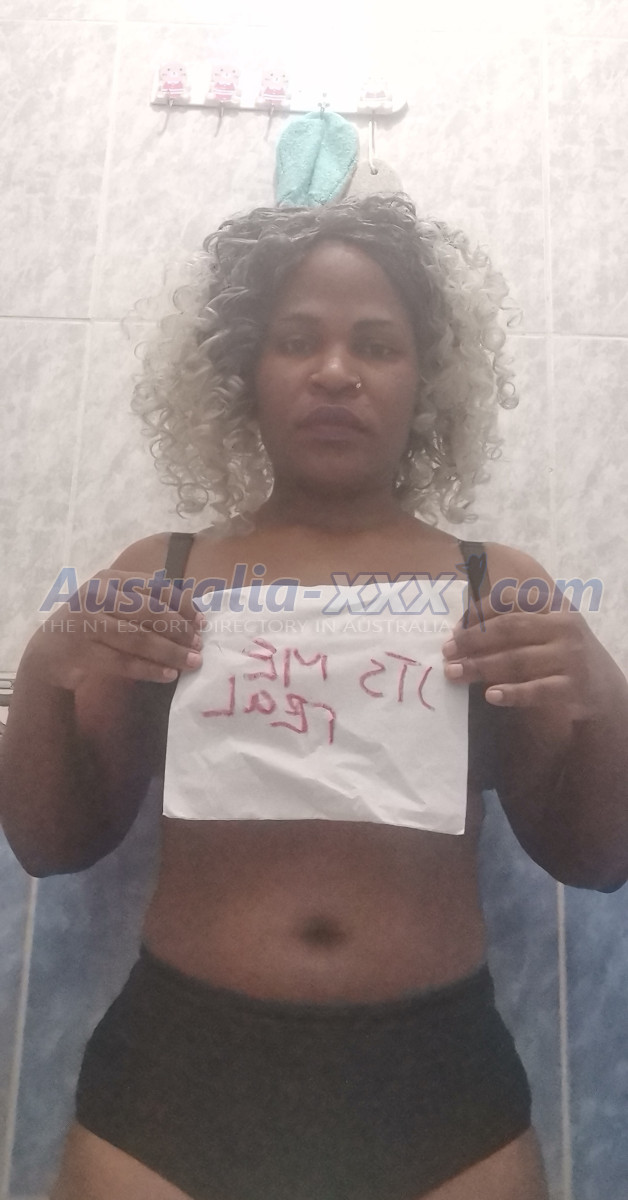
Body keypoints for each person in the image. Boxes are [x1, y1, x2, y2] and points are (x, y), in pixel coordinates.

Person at [2, 194, 628, 1200]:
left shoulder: (493, 584)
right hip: (176, 1077)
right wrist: (46, 664)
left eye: (375, 344)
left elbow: (595, 860)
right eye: (297, 340)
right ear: (243, 372)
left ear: (425, 379)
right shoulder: (162, 574)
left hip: (438, 1084)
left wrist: (603, 691)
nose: (335, 371)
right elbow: (51, 845)